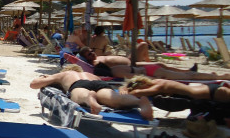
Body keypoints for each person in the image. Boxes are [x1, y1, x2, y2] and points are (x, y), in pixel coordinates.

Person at [30, 67, 153, 119]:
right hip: (100, 84)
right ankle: (139, 102)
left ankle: (88, 98)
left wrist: (46, 77)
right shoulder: (91, 75)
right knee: (113, 98)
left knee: (80, 95)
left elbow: (34, 84)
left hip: (79, 84)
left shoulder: (65, 74)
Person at [78, 47, 230, 81]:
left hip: (149, 71)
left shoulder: (115, 70)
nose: (93, 53)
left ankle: (217, 76)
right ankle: (217, 76)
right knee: (188, 76)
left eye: (92, 51)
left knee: (187, 75)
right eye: (89, 54)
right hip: (148, 70)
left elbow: (137, 77)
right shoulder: (101, 64)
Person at [122, 75, 230, 103]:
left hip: (214, 92)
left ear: (143, 83)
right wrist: (125, 87)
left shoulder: (160, 85)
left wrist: (125, 90)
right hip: (209, 90)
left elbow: (137, 93)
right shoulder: (157, 81)